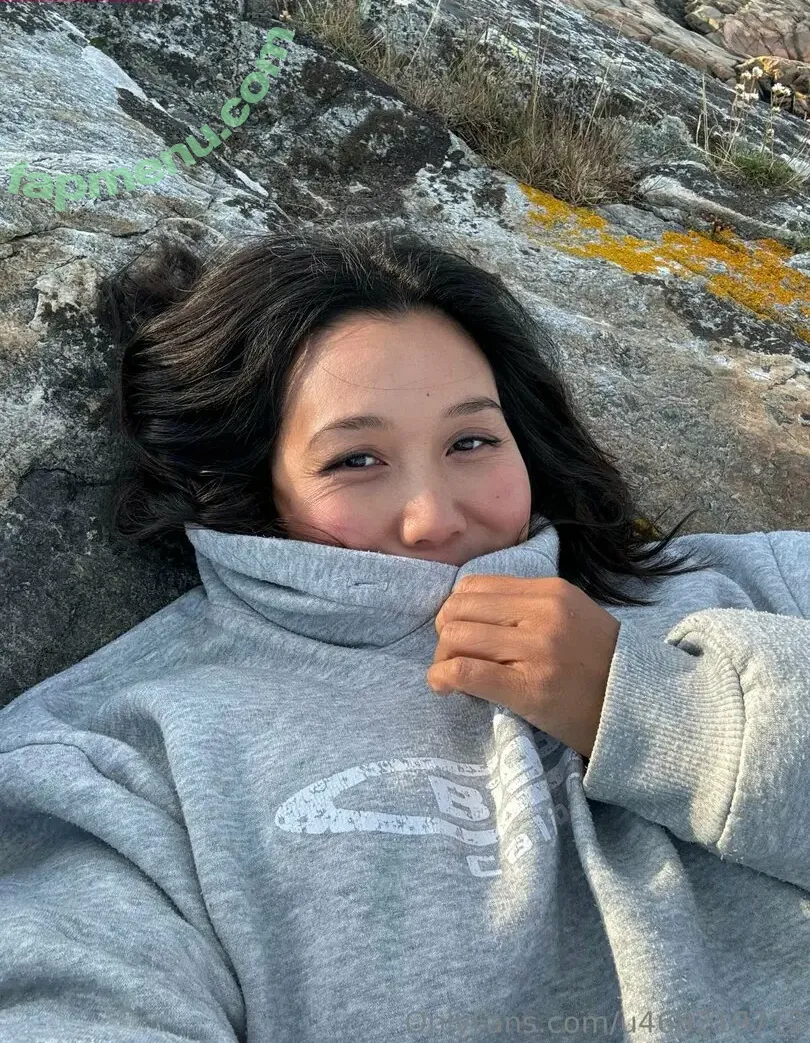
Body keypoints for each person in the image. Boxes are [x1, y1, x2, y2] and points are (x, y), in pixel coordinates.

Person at [0, 225, 808, 1043]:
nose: (433, 517)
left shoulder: (756, 585)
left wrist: (667, 714)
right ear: (252, 479)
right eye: (355, 460)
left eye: (471, 441)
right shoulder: (123, 752)